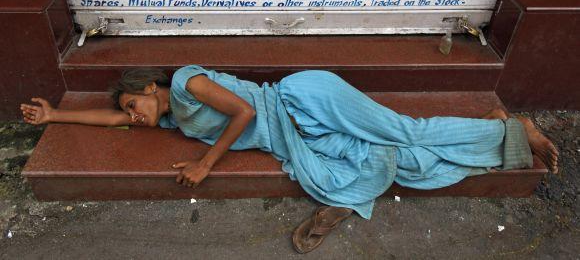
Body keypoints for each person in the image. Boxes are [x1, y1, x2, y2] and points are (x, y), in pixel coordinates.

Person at [20, 65, 558, 254]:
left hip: (302, 100)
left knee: (402, 130)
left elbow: (240, 115)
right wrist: (53, 118)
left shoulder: (186, 81)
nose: (133, 114)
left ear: (149, 85)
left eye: (133, 102)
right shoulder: (168, 117)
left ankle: (515, 128)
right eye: (130, 111)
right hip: (296, 139)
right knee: (403, 162)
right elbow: (109, 120)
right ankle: (496, 133)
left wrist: (207, 165)